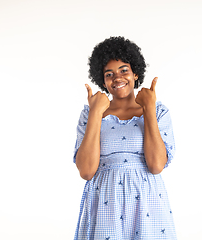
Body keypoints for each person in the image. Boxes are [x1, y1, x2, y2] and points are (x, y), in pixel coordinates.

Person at [73, 36, 176, 240]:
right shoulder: (90, 114)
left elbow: (156, 165)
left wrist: (148, 109)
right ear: (102, 80)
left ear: (135, 73)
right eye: (109, 73)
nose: (117, 77)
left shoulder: (158, 112)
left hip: (147, 203)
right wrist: (95, 113)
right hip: (104, 202)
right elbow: (86, 171)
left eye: (124, 70)